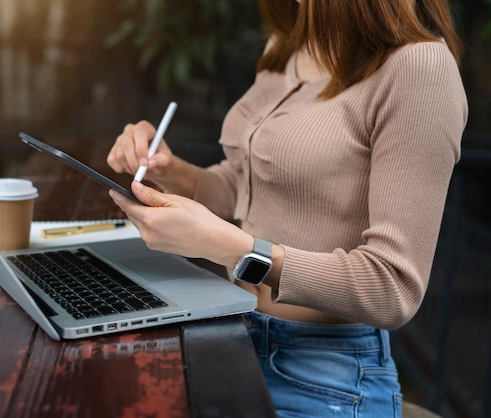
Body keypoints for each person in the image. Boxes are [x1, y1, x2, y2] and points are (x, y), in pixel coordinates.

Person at [106, 0, 468, 416]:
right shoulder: (290, 43)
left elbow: (393, 287)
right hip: (228, 331)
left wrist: (235, 249)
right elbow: (250, 185)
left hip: (324, 375)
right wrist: (172, 171)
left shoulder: (419, 68)